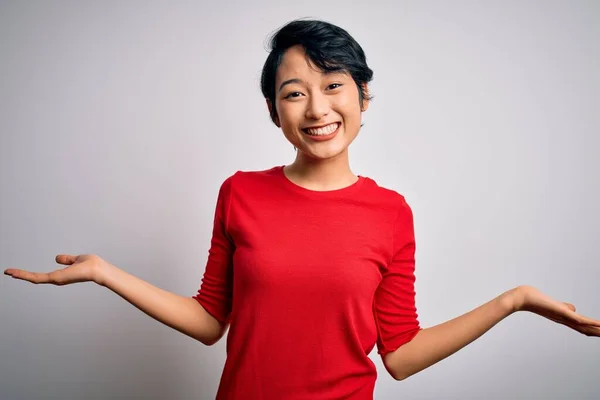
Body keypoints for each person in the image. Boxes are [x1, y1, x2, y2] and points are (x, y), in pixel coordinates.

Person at [3, 18, 599, 400]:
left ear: (363, 97)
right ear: (274, 111)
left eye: (333, 84)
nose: (317, 108)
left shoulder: (391, 213)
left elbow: (401, 356)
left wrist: (512, 300)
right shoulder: (240, 193)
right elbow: (211, 320)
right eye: (295, 93)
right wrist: (106, 273)